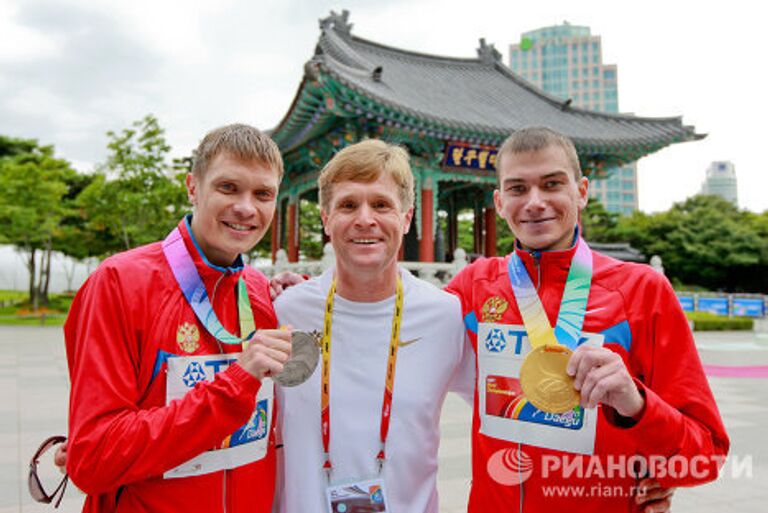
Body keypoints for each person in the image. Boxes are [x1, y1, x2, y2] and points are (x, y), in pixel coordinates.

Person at [444, 126, 730, 512]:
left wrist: (638, 405)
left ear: (581, 192)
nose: (534, 202)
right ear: (498, 201)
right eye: (517, 189)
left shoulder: (642, 291)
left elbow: (705, 457)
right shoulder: (473, 287)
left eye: (551, 184)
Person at [63, 124, 292, 512]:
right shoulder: (119, 282)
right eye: (228, 188)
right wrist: (235, 384)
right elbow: (93, 458)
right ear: (192, 187)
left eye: (263, 194)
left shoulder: (259, 292)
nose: (246, 208)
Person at [271, 139, 475, 513]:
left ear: (407, 217)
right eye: (348, 205)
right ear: (326, 219)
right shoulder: (287, 310)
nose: (365, 219)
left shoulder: (445, 315)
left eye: (381, 204)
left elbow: (503, 407)